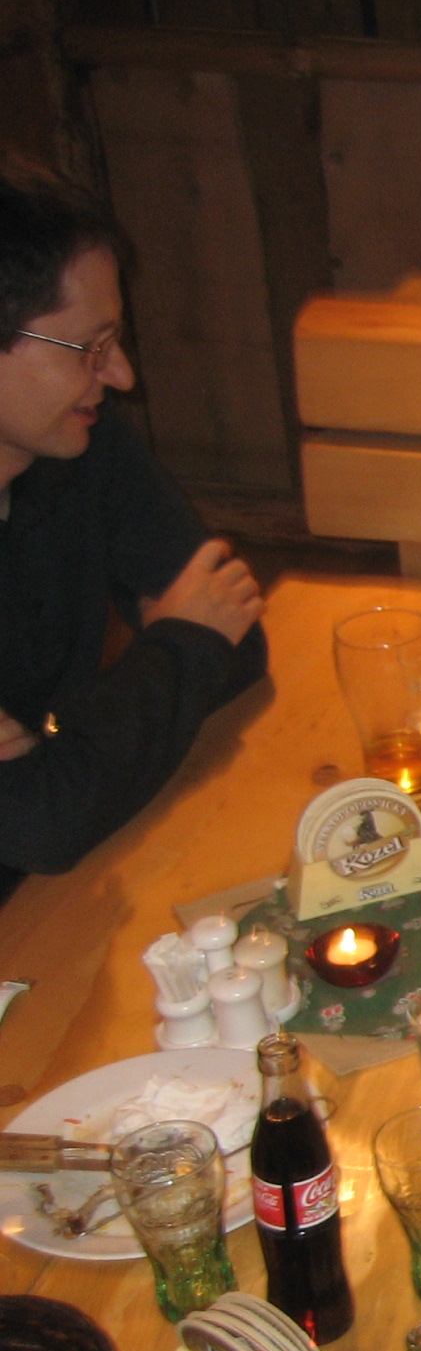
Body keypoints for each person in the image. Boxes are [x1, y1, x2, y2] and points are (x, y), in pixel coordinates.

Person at [0, 156, 266, 903]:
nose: (120, 375)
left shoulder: (80, 442)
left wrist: (71, 749)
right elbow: (45, 822)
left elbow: (236, 635)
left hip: (64, 893)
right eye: (90, 348)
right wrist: (178, 645)